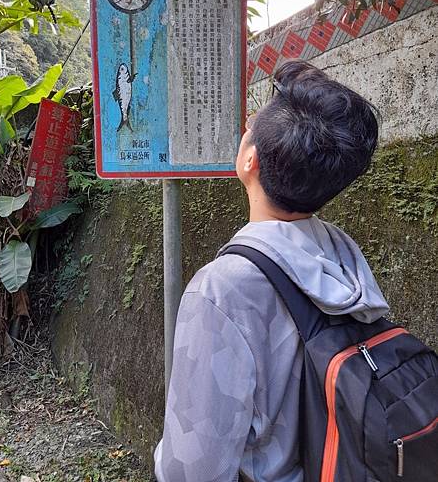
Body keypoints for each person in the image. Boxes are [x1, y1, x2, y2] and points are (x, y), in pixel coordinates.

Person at [154, 59, 389, 482]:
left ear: (249, 160)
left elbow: (192, 471)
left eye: (252, 126)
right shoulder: (342, 254)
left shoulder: (221, 291)